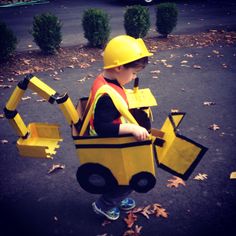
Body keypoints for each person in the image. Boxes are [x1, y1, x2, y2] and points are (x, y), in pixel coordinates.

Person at [89, 35, 153, 220]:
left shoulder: (107, 80)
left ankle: (116, 198)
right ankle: (105, 204)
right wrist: (132, 129)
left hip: (112, 141)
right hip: (108, 144)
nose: (134, 77)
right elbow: (103, 127)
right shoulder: (107, 96)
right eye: (133, 72)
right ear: (118, 67)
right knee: (129, 176)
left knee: (119, 176)